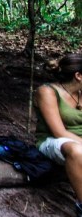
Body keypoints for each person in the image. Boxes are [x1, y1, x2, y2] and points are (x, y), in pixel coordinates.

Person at [34, 53, 82, 216]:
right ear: (78, 75)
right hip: (54, 142)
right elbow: (59, 132)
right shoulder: (47, 91)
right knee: (77, 151)